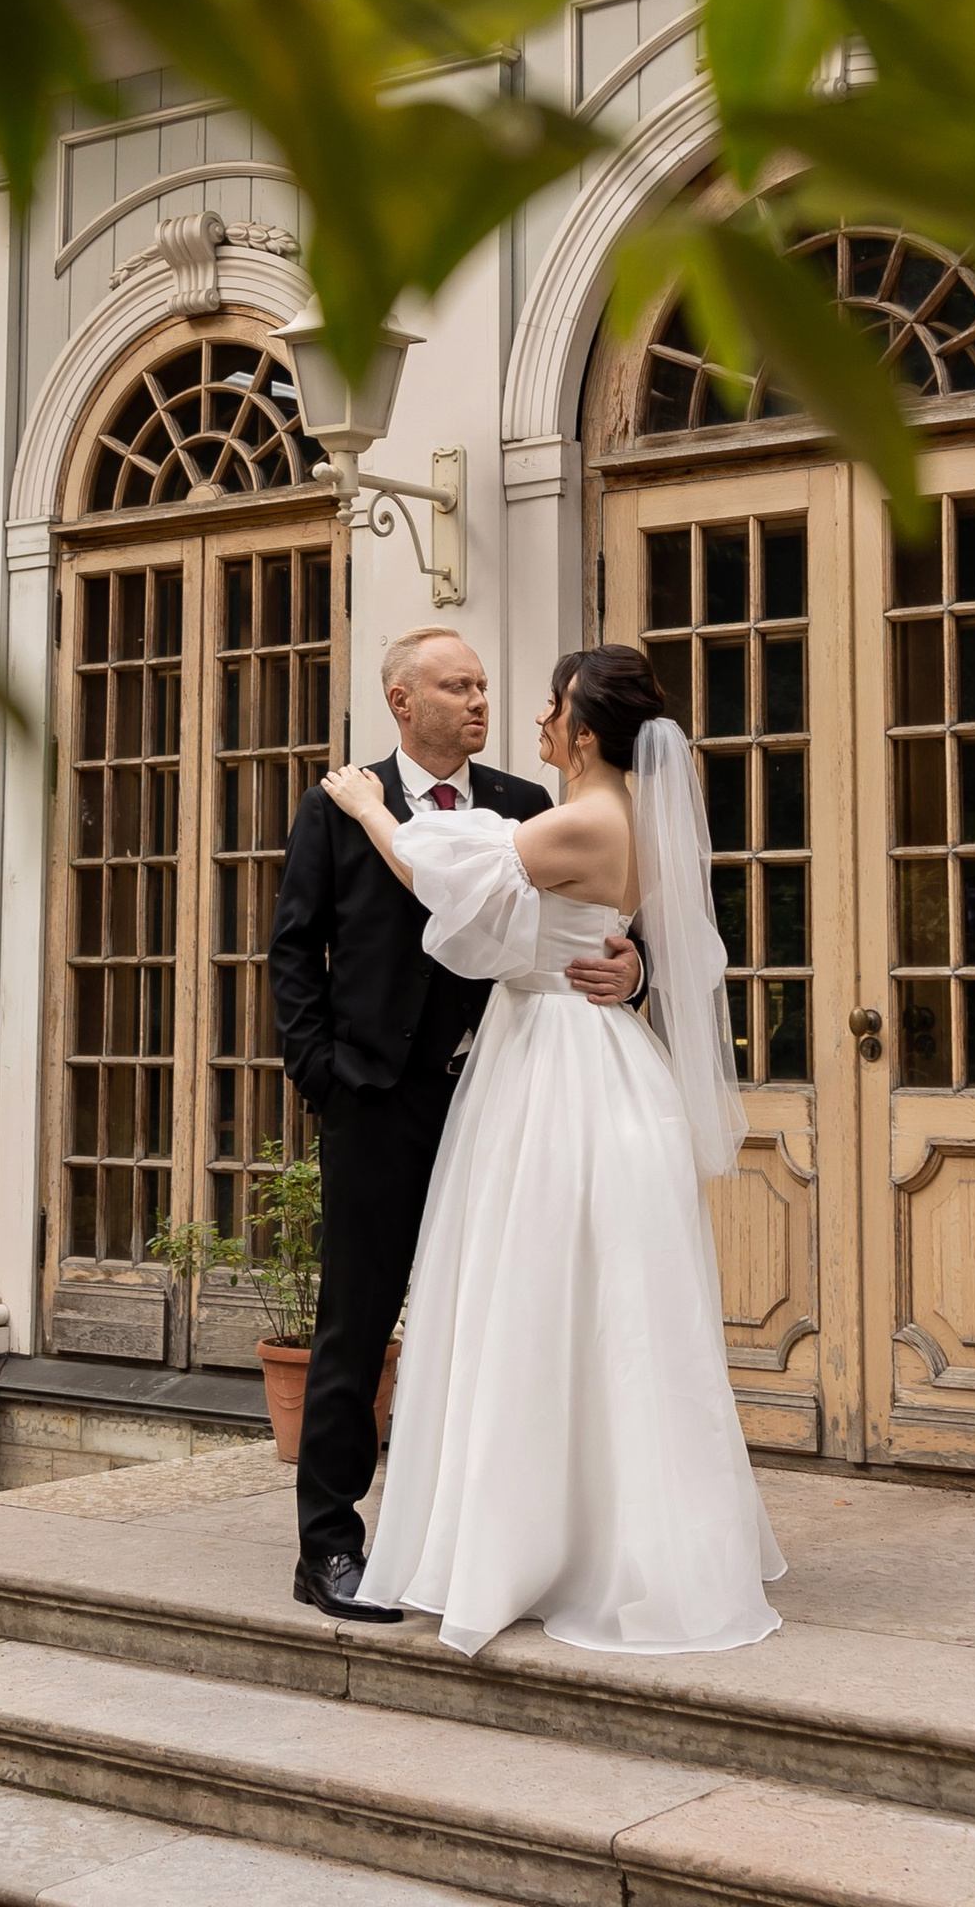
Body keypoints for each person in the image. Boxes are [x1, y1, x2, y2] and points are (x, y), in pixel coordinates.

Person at [319, 642, 783, 1658]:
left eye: (546, 706)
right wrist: (630, 962)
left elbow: (430, 869)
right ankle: (609, 1536)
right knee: (613, 1309)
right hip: (607, 1060)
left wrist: (368, 808)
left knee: (530, 1298)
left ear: (582, 729)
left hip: (552, 1065)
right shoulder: (640, 826)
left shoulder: (574, 817)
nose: (529, 720)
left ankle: (534, 1543)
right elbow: (665, 941)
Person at [269, 626, 642, 1623]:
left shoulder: (530, 804)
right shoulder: (337, 806)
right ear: (402, 700)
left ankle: (466, 1540)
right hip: (380, 1101)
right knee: (356, 1321)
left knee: (492, 1321)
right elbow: (294, 950)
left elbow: (611, 918)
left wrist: (633, 969)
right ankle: (328, 1545)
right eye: (457, 685)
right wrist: (326, 1079)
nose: (480, 701)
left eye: (484, 683)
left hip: (510, 1097)